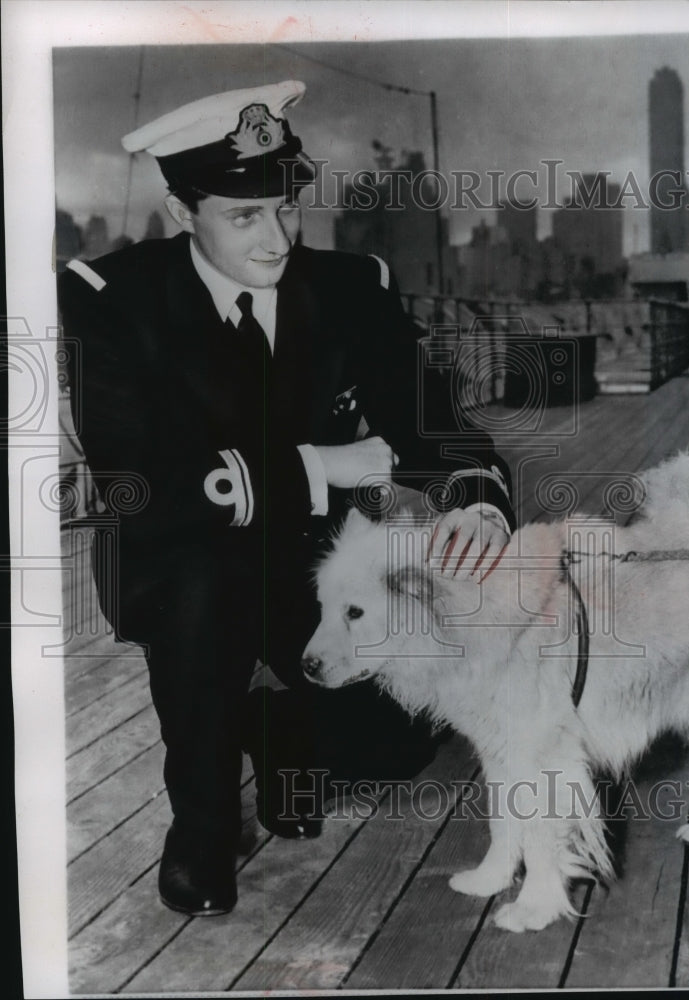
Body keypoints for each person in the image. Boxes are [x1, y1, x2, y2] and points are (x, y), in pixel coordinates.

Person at [58, 80, 516, 917]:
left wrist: (476, 499)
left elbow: (435, 425)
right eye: (243, 216)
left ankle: (281, 737)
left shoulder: (348, 287)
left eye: (285, 209)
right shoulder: (110, 299)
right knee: (199, 609)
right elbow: (137, 483)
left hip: (308, 562)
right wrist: (318, 467)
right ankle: (199, 825)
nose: (275, 240)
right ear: (178, 209)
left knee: (395, 742)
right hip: (183, 560)